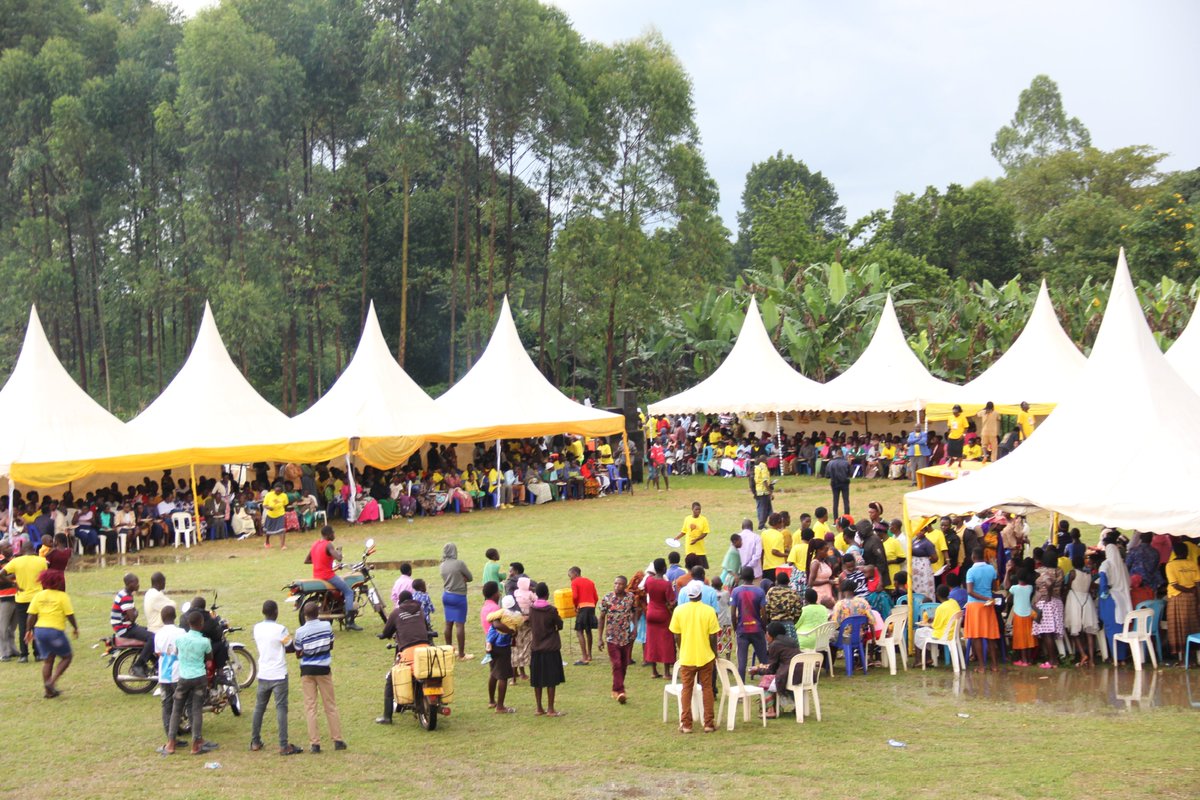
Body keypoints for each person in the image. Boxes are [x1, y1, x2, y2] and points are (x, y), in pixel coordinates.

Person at [250, 600, 302, 755]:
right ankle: (283, 744)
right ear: (276, 612)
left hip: (263, 673)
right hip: (279, 674)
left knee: (259, 708)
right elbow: (290, 647)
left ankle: (255, 741)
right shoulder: (280, 629)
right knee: (281, 708)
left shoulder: (257, 628)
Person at [376, 590, 436, 724]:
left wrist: (382, 635)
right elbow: (426, 628)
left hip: (408, 652)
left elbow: (387, 632)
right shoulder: (420, 610)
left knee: (391, 679)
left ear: (400, 602)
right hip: (425, 650)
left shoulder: (396, 613)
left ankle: (387, 716)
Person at [293, 601, 346, 753]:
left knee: (311, 707)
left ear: (305, 615)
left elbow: (298, 652)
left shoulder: (300, 632)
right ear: (319, 613)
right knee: (330, 706)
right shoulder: (327, 626)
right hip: (323, 669)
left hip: (307, 671)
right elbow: (331, 645)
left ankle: (314, 743)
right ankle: (337, 740)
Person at [669, 581, 720, 734]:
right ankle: (709, 723)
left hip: (687, 656)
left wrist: (681, 647)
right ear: (700, 595)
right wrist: (714, 653)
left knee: (687, 689)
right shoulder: (709, 611)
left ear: (687, 595)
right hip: (706, 656)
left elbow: (676, 634)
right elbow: (713, 636)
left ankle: (686, 724)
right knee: (707, 689)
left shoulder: (679, 611)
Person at [165, 610, 216, 756]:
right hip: (199, 678)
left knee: (177, 709)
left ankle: (171, 743)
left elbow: (174, 653)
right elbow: (209, 657)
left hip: (183, 677)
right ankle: (196, 744)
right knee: (196, 709)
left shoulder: (180, 639)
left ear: (188, 623)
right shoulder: (205, 641)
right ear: (201, 624)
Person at [25, 569, 78, 698]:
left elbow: (31, 615)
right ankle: (51, 682)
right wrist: (75, 628)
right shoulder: (62, 596)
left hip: (40, 631)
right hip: (54, 631)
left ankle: (48, 692)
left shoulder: (39, 596)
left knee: (48, 661)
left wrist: (28, 631)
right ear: (59, 582)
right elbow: (69, 615)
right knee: (67, 657)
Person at [305, 526, 361, 631]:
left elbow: (307, 560)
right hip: (327, 576)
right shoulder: (328, 544)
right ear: (328, 534)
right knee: (349, 592)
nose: (334, 535)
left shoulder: (315, 544)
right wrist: (339, 551)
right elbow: (339, 558)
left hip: (317, 575)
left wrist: (320, 561)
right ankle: (350, 621)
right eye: (333, 533)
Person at [0, 541, 47, 663]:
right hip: (37, 598)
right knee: (36, 626)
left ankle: (24, 655)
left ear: (22, 550)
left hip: (21, 598)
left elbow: (1, 574)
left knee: (23, 627)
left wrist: (13, 583)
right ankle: (38, 654)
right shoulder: (41, 561)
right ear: (33, 550)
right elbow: (46, 575)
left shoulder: (16, 561)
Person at [749, 621, 801, 718]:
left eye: (767, 633)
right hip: (803, 673)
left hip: (790, 675)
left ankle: (770, 710)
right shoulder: (792, 642)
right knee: (771, 678)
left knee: (766, 679)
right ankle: (794, 706)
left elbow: (771, 670)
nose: (766, 635)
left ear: (772, 634)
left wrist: (757, 670)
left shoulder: (775, 645)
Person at [529, 582, 566, 717]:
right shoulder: (551, 610)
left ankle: (539, 708)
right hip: (551, 648)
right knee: (551, 679)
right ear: (548, 594)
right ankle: (550, 709)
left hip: (536, 648)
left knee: (537, 679)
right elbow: (559, 624)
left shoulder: (532, 609)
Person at [597, 575, 636, 704]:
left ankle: (616, 689)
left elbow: (634, 612)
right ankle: (620, 691)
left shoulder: (630, 598)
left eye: (620, 584)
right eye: (615, 583)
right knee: (617, 663)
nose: (617, 586)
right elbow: (602, 618)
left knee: (624, 664)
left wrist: (635, 628)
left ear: (625, 586)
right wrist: (599, 638)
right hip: (611, 637)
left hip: (626, 636)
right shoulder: (608, 598)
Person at [110, 573, 156, 677]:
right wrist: (135, 613)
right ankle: (138, 665)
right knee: (152, 638)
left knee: (150, 631)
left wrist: (134, 613)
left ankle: (146, 662)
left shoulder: (123, 593)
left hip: (126, 626)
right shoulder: (126, 597)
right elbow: (132, 617)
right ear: (129, 584)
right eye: (136, 583)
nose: (138, 585)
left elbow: (131, 615)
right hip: (124, 628)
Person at [153, 605, 184, 753]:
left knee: (166, 706)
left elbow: (158, 653)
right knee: (179, 706)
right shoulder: (181, 632)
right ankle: (175, 734)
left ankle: (170, 737)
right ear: (175, 616)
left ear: (162, 618)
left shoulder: (158, 634)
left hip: (164, 675)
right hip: (178, 674)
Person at [963, 548, 1000, 670]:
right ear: (984, 557)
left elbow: (969, 591)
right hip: (988, 605)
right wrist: (987, 597)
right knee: (990, 636)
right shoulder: (991, 569)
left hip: (974, 606)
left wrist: (983, 598)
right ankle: (994, 665)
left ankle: (981, 666)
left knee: (976, 636)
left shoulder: (971, 571)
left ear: (973, 557)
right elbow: (994, 587)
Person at [730, 566, 767, 679]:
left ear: (741, 577)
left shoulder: (736, 591)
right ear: (753, 577)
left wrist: (736, 627)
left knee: (742, 662)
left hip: (742, 630)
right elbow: (764, 614)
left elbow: (732, 613)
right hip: (757, 629)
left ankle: (741, 689)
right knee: (764, 661)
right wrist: (763, 628)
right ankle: (768, 688)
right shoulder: (760, 591)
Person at [1165, 539, 1200, 661]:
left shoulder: (1170, 566)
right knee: (1192, 626)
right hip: (1192, 598)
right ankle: (1193, 658)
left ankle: (1184, 659)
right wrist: (1197, 597)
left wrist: (1189, 591)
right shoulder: (1192, 564)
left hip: (1177, 598)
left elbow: (1175, 585)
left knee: (1179, 629)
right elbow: (1198, 584)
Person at [485, 595, 520, 713]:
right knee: (503, 677)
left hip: (492, 646)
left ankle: (491, 701)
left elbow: (493, 622)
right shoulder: (513, 616)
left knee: (493, 673)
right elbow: (497, 625)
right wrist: (511, 631)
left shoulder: (499, 613)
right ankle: (500, 707)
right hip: (502, 648)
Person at [439, 542, 474, 661]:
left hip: (446, 595)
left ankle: (449, 651)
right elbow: (470, 577)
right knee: (459, 625)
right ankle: (462, 654)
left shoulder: (442, 565)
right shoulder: (459, 564)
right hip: (459, 596)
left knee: (448, 624)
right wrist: (462, 578)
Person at [1063, 552, 1098, 667]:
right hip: (1087, 601)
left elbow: (1068, 586)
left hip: (1074, 601)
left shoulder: (1073, 573)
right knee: (1089, 633)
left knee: (1075, 630)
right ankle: (1092, 660)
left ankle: (1083, 654)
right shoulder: (1088, 575)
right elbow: (1091, 587)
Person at [643, 559, 677, 679]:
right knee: (666, 641)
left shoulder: (649, 580)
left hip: (650, 612)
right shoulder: (666, 584)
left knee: (652, 641)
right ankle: (667, 672)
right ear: (664, 569)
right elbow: (670, 601)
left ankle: (654, 671)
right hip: (662, 614)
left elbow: (646, 591)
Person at [1032, 551, 1065, 670]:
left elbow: (1048, 583)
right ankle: (1054, 659)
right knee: (1051, 632)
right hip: (1057, 602)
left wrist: (1048, 595)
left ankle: (1052, 661)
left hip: (1046, 603)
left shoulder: (1043, 572)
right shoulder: (1059, 571)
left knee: (1047, 634)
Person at [914, 584, 960, 654]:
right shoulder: (954, 602)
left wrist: (931, 623)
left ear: (937, 595)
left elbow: (935, 626)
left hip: (944, 635)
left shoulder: (940, 608)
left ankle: (924, 657)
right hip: (953, 633)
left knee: (918, 632)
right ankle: (931, 654)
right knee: (924, 632)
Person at [568, 566, 598, 665]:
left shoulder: (575, 582)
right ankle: (589, 655)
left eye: (570, 576)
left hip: (582, 607)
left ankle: (584, 657)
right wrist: (593, 606)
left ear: (575, 574)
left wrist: (576, 606)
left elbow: (575, 596)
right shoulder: (590, 582)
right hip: (591, 607)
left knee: (579, 631)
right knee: (588, 630)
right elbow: (596, 597)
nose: (570, 578)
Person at [1009, 569, 1037, 666]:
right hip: (1029, 614)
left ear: (1017, 577)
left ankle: (1024, 660)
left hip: (1018, 615)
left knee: (1021, 638)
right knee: (1029, 638)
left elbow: (1008, 589)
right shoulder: (1030, 587)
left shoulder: (1014, 588)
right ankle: (1029, 659)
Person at [674, 502, 711, 569]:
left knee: (700, 569)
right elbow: (684, 531)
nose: (698, 511)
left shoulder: (703, 520)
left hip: (700, 550)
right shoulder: (687, 519)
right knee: (690, 568)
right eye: (696, 509)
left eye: (699, 509)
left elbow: (705, 533)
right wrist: (677, 538)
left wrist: (696, 539)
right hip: (689, 549)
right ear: (692, 509)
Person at [261, 481, 289, 548]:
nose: (278, 492)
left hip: (280, 514)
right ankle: (267, 542)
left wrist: (282, 511)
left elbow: (285, 504)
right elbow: (264, 505)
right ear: (274, 489)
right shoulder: (269, 495)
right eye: (276, 491)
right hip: (271, 515)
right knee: (268, 531)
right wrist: (269, 508)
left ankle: (282, 545)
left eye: (279, 491)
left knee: (282, 529)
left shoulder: (284, 496)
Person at [826, 447, 851, 519]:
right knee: (846, 501)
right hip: (844, 483)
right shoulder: (846, 462)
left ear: (836, 454)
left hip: (834, 483)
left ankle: (835, 520)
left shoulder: (830, 463)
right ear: (842, 455)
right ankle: (847, 518)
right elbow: (850, 473)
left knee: (835, 502)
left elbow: (827, 476)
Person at [752, 456, 772, 530]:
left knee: (767, 509)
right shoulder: (764, 467)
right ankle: (761, 525)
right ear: (764, 460)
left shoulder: (757, 467)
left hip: (758, 490)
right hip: (764, 491)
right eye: (767, 459)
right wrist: (770, 491)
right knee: (763, 509)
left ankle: (770, 523)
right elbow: (764, 481)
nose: (767, 461)